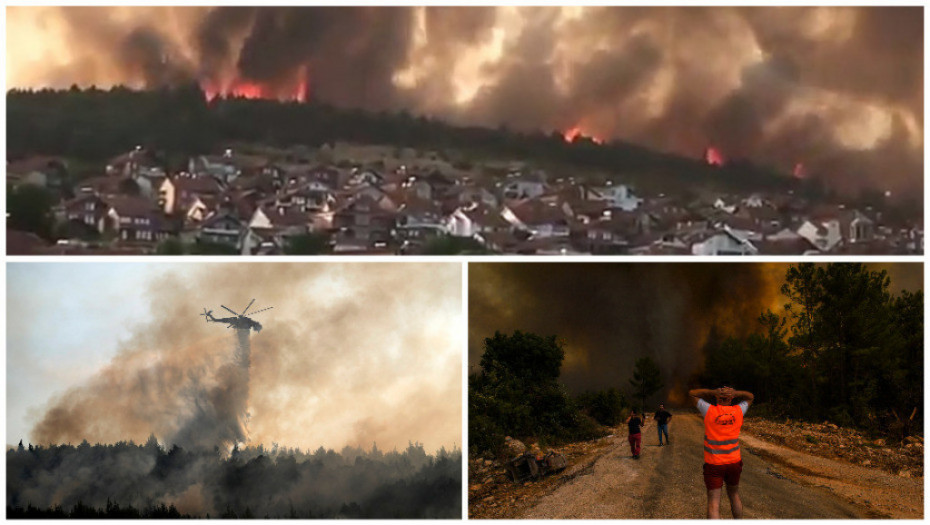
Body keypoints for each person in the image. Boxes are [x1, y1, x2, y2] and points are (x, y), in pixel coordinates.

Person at [689, 386, 754, 519]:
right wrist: (736, 392)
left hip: (714, 464)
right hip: (734, 462)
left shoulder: (708, 410)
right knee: (734, 495)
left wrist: (713, 392)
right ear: (731, 398)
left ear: (717, 398)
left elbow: (692, 394)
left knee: (714, 503)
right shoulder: (738, 410)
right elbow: (750, 396)